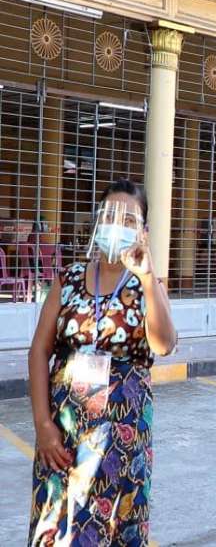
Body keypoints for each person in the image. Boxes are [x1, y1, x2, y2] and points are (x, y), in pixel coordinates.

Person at [28, 179, 177, 545]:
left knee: (112, 526)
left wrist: (146, 277)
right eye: (110, 216)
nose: (117, 226)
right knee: (56, 524)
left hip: (121, 437)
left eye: (129, 220)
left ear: (142, 231)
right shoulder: (69, 279)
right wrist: (43, 424)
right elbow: (39, 351)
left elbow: (164, 344)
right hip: (64, 431)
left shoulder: (149, 284)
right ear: (97, 221)